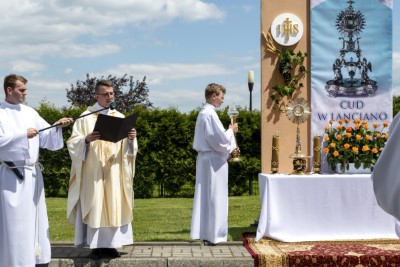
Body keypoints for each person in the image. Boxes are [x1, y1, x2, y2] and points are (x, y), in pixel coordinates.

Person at [0, 74, 73, 267]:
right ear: (9, 90)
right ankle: (14, 261)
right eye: (21, 90)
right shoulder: (0, 113)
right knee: (15, 223)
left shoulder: (30, 112)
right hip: (12, 177)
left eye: (25, 90)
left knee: (34, 220)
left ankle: (34, 258)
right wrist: (22, 135)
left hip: (32, 176)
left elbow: (46, 134)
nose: (25, 93)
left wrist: (58, 126)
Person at [66, 80, 138, 260]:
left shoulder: (120, 117)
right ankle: (96, 246)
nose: (109, 97)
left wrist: (131, 139)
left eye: (112, 93)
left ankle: (112, 245)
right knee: (95, 204)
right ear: (96, 96)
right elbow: (73, 142)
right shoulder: (85, 117)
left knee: (114, 203)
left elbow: (129, 151)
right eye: (105, 94)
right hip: (94, 171)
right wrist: (86, 140)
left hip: (114, 171)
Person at [190, 83, 239, 245]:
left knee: (207, 196)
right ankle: (215, 235)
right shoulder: (209, 114)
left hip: (206, 159)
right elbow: (219, 140)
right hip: (213, 160)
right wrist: (231, 130)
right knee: (215, 196)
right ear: (213, 96)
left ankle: (206, 232)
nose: (223, 101)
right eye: (221, 97)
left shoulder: (203, 113)